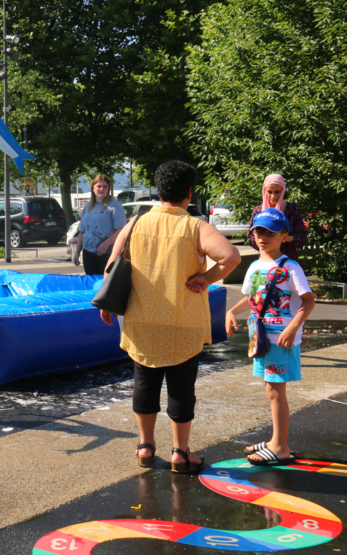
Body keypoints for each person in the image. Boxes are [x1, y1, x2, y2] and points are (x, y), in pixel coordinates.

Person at [100, 161, 241, 473]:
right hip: (183, 323)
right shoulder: (194, 227)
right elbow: (231, 257)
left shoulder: (135, 223)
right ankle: (180, 452)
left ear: (158, 191)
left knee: (144, 384)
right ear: (189, 193)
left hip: (141, 321)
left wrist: (108, 305)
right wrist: (205, 278)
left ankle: (145, 447)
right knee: (181, 387)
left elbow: (112, 266)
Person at [225, 208, 314, 465]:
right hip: (261, 339)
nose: (263, 237)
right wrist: (232, 310)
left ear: (284, 236)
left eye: (270, 233)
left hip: (281, 340)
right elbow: (252, 298)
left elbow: (308, 301)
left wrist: (293, 327)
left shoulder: (290, 267)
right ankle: (276, 438)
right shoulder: (254, 266)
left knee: (276, 391)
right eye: (259, 231)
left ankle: (280, 446)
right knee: (270, 388)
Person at [246, 174, 308, 262]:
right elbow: (250, 237)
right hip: (266, 260)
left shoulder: (292, 209)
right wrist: (265, 241)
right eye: (269, 192)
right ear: (264, 191)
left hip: (288, 260)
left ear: (283, 191)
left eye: (277, 192)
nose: (273, 196)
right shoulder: (259, 211)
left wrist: (286, 238)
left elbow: (303, 237)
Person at [74, 174, 127, 275]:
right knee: (92, 285)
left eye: (105, 186)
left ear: (108, 189)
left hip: (107, 253)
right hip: (88, 252)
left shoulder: (115, 205)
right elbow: (82, 231)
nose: (102, 189)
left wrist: (107, 243)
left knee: (105, 285)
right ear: (93, 188)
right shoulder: (88, 206)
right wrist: (77, 252)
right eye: (99, 186)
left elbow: (121, 230)